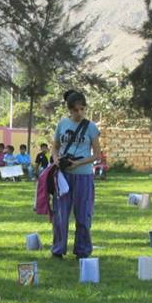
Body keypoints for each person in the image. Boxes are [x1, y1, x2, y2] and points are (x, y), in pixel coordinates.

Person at [51, 89, 102, 260]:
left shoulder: (91, 127)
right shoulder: (62, 124)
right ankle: (58, 249)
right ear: (69, 109)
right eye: (75, 110)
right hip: (63, 176)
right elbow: (55, 147)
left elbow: (97, 155)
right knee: (60, 214)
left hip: (84, 175)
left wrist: (78, 163)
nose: (79, 113)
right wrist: (56, 160)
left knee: (83, 214)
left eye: (82, 109)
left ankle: (82, 250)